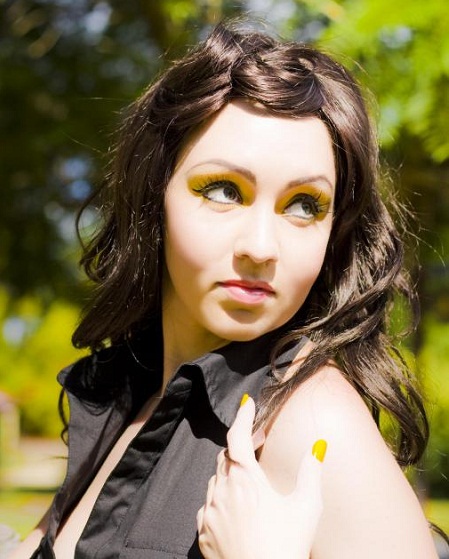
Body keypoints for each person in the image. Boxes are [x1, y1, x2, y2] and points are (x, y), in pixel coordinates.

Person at [10, 20, 443, 559]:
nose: (261, 247)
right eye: (223, 191)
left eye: (304, 205)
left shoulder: (314, 422)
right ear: (154, 196)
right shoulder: (130, 393)